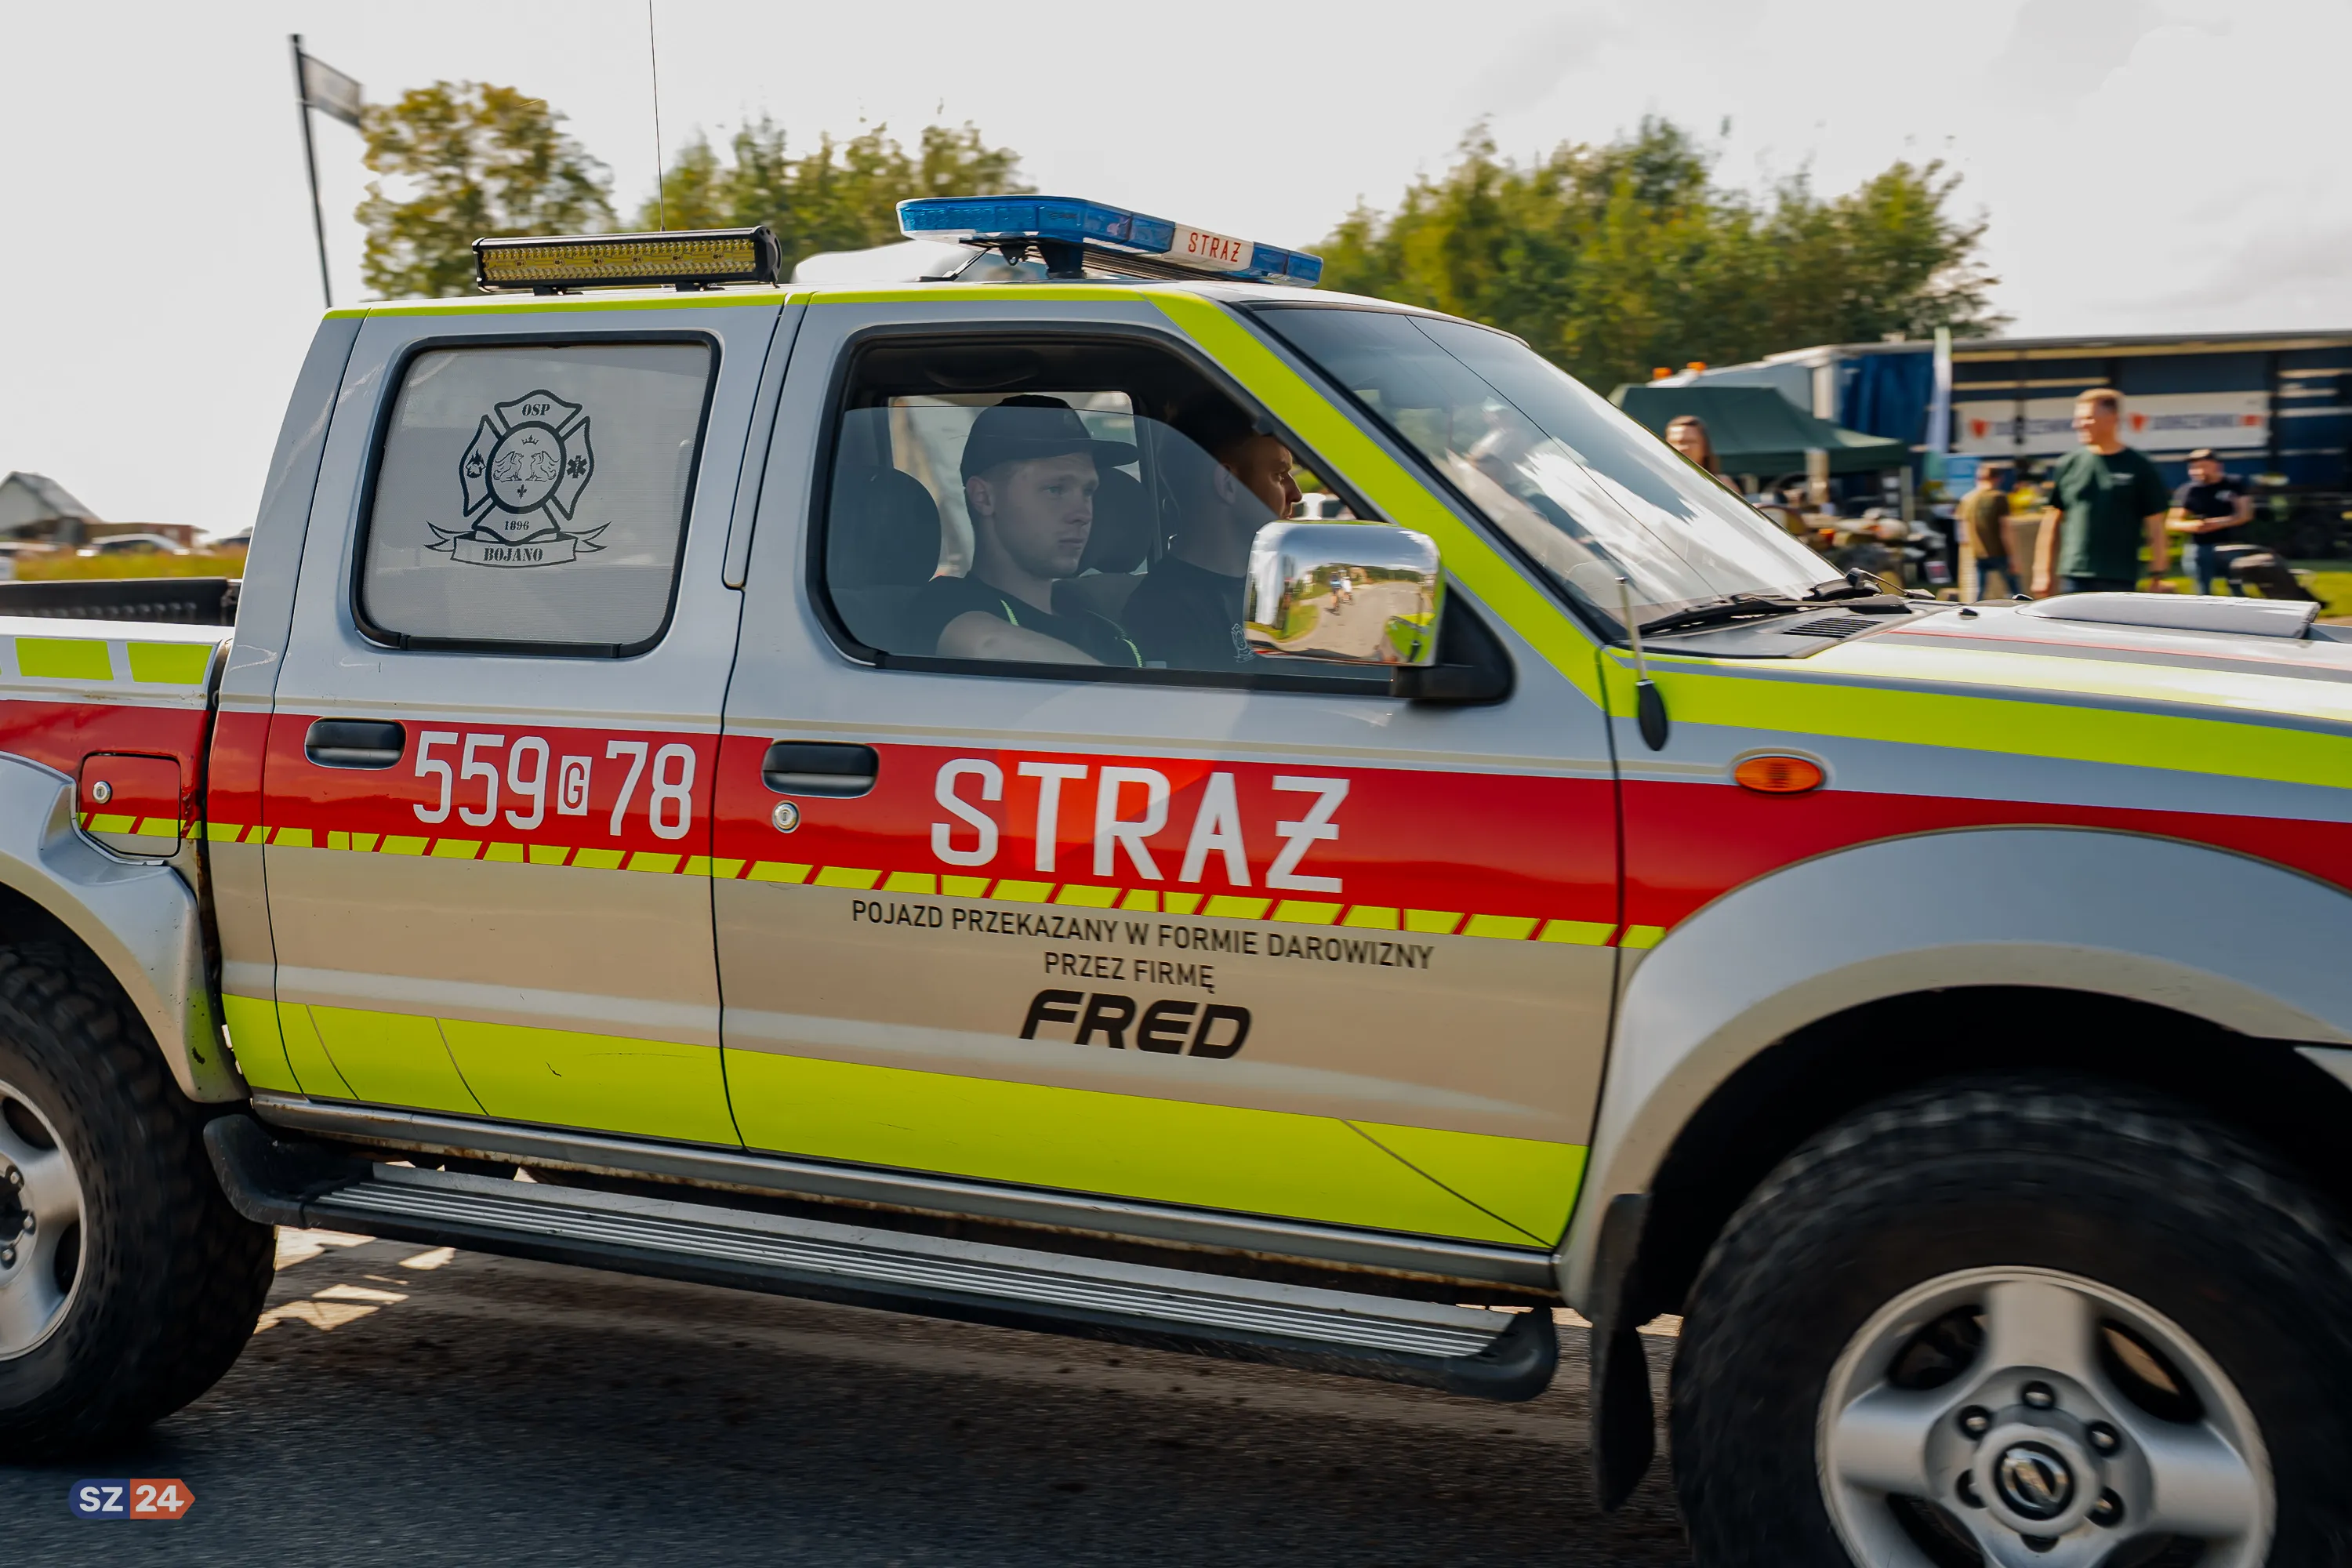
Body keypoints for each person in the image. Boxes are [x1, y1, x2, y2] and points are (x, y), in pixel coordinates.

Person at [909, 396, 1142, 666]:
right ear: (984, 497)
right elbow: (987, 645)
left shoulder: (1105, 628)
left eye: (1088, 491)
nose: (1083, 514)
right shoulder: (946, 604)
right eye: (1055, 489)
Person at [1121, 405, 1301, 671]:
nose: (1296, 494)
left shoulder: (1266, 588)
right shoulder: (1164, 614)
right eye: (1280, 475)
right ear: (1228, 484)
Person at [2030, 389, 2172, 597]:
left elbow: (2156, 525)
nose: (2078, 425)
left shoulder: (2139, 466)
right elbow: (2051, 521)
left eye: (2087, 418)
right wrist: (2042, 572)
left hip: (2120, 576)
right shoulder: (2069, 464)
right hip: (2075, 575)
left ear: (2112, 419)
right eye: (2077, 419)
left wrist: (2158, 573)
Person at [2168, 448, 2256, 596]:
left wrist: (2218, 523)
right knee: (2203, 589)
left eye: (2203, 466)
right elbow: (2172, 522)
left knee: (2237, 588)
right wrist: (2194, 525)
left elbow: (2245, 514)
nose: (2198, 471)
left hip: (2231, 544)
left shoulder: (2234, 484)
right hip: (2201, 545)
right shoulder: (2188, 490)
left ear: (2217, 466)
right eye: (2193, 467)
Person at [1958, 463, 2017, 600]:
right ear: (1999, 478)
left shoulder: (1967, 499)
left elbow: (1963, 530)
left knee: (1978, 593)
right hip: (1999, 551)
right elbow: (2006, 529)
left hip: (1977, 552)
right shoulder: (1998, 497)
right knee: (2014, 591)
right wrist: (2014, 557)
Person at [1664, 415, 1737, 490]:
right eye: (1674, 442)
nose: (1682, 448)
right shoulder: (1661, 481)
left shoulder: (1722, 485)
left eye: (1690, 442)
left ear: (1704, 446)